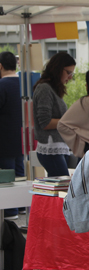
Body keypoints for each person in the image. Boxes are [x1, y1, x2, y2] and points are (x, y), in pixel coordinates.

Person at [33, 52, 76, 177]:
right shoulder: (44, 89)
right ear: (58, 68)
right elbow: (45, 122)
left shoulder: (51, 89)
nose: (70, 77)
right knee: (62, 187)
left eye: (71, 73)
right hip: (50, 147)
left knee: (62, 186)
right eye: (68, 72)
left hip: (57, 147)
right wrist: (69, 121)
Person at [0, 51, 24, 219]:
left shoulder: (2, 85)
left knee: (7, 176)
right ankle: (22, 206)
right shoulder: (25, 83)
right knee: (20, 173)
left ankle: (10, 211)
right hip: (24, 138)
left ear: (0, 66)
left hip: (5, 137)